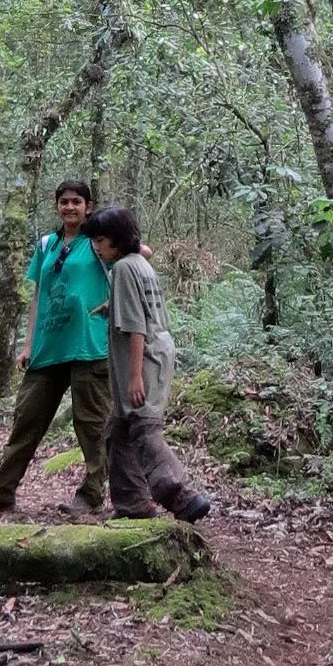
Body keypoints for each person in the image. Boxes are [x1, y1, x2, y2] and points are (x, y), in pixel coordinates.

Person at [0, 179, 111, 518]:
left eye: (77, 202)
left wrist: (108, 313)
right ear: (56, 206)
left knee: (91, 425)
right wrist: (28, 342)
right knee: (26, 421)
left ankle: (90, 497)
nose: (70, 207)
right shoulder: (46, 244)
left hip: (90, 346)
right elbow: (38, 295)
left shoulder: (98, 242)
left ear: (88, 206)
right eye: (64, 201)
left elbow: (134, 262)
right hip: (47, 347)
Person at [88, 204, 211, 524]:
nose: (95, 247)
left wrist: (134, 378)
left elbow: (136, 327)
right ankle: (133, 505)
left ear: (115, 240)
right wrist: (109, 306)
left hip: (145, 358)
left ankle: (182, 497)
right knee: (119, 430)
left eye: (100, 240)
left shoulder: (124, 269)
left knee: (144, 429)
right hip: (156, 351)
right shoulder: (137, 261)